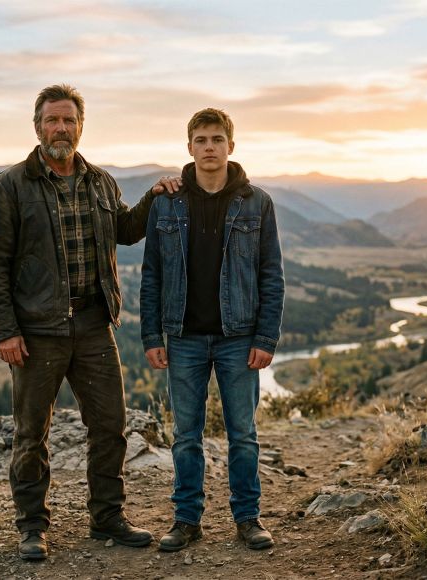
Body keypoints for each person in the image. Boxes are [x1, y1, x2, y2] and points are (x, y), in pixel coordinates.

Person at [0, 84, 173, 561]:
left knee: (110, 425)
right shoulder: (10, 186)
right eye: (51, 120)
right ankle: (32, 527)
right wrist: (5, 331)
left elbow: (124, 231)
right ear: (38, 126)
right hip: (37, 331)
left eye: (68, 120)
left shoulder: (101, 182)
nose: (60, 128)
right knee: (30, 433)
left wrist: (154, 196)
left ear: (80, 126)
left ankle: (107, 517)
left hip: (93, 325)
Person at [140, 108, 285, 552]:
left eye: (216, 139)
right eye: (200, 140)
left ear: (230, 147)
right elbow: (152, 274)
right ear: (189, 148)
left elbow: (271, 274)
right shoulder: (167, 203)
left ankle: (248, 518)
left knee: (243, 433)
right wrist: (151, 336)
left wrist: (265, 337)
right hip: (182, 336)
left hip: (239, 337)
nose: (208, 147)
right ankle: (186, 520)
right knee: (186, 436)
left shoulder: (256, 203)